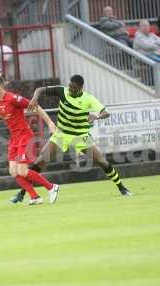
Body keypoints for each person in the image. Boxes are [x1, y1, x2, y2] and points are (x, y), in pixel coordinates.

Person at [11, 75, 132, 203]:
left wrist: (96, 116)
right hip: (62, 134)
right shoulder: (62, 91)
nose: (70, 89)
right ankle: (22, 193)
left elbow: (106, 112)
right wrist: (35, 98)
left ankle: (122, 187)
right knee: (40, 161)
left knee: (102, 161)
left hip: (80, 135)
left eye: (73, 87)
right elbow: (40, 89)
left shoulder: (88, 99)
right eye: (69, 85)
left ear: (80, 88)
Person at [0, 75, 60, 205]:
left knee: (23, 171)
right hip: (14, 139)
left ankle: (51, 187)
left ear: (0, 86)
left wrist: (50, 123)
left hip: (25, 137)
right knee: (13, 171)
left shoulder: (13, 98)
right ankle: (35, 197)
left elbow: (36, 107)